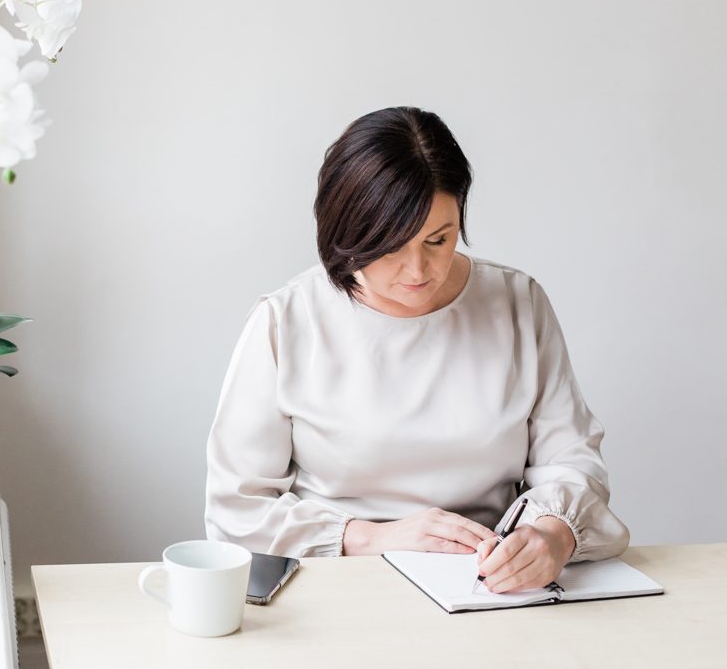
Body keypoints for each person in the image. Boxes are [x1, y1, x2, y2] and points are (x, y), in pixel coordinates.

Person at [203, 106, 630, 594]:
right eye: (390, 247)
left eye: (439, 239)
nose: (418, 271)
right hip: (336, 581)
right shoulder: (286, 321)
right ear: (344, 233)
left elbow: (571, 459)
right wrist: (369, 538)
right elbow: (237, 507)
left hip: (487, 583)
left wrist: (552, 537)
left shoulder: (517, 304)